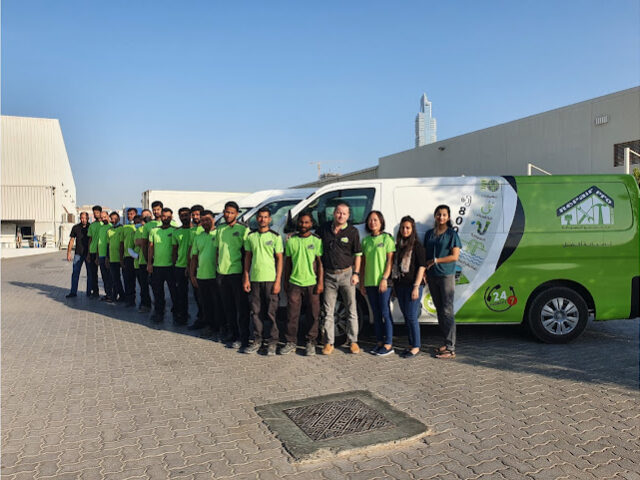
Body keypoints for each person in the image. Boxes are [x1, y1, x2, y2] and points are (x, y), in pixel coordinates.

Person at [316, 202, 362, 355]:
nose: (341, 215)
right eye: (338, 212)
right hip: (329, 276)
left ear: (348, 216)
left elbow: (358, 255)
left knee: (351, 309)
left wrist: (356, 274)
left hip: (347, 275)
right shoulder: (324, 229)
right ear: (334, 213)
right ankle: (329, 343)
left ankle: (353, 341)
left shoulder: (353, 231)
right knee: (328, 311)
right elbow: (311, 239)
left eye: (344, 213)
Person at [241, 207, 283, 355]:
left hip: (270, 280)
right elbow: (247, 258)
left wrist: (278, 281)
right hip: (255, 279)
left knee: (271, 313)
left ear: (269, 219)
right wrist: (246, 277)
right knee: (256, 312)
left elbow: (279, 259)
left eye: (265, 217)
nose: (262, 219)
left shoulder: (275, 237)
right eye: (260, 217)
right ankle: (257, 340)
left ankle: (272, 342)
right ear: (256, 218)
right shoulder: (251, 236)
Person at [281, 211, 323, 356]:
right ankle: (291, 342)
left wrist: (320, 283)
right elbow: (288, 263)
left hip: (312, 282)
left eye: (306, 222)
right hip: (294, 282)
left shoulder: (316, 240)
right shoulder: (291, 240)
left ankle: (311, 342)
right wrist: (285, 281)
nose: (303, 225)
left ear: (311, 224)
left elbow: (320, 263)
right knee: (292, 314)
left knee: (313, 314)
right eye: (301, 222)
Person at [424, 204, 462, 359]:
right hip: (432, 276)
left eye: (444, 215)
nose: (441, 217)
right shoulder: (429, 234)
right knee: (440, 310)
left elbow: (455, 256)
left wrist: (436, 260)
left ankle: (451, 348)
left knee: (447, 310)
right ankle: (446, 343)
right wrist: (425, 271)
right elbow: (425, 255)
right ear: (435, 216)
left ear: (448, 217)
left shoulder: (452, 234)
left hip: (446, 275)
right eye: (439, 214)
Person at [360, 211, 396, 356]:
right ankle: (379, 342)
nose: (372, 222)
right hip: (370, 282)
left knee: (385, 312)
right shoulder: (365, 241)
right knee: (375, 314)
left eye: (375, 220)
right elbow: (363, 264)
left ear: (381, 222)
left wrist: (384, 279)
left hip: (383, 283)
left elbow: (390, 261)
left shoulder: (387, 239)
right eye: (370, 220)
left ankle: (389, 344)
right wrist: (362, 283)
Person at [392, 215, 427, 358]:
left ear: (412, 229)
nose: (405, 230)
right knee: (406, 316)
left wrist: (416, 286)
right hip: (400, 286)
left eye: (407, 228)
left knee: (412, 316)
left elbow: (422, 267)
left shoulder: (417, 246)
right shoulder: (398, 246)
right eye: (402, 228)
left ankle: (416, 346)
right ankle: (411, 344)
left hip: (413, 286)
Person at [217, 201, 250, 348]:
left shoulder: (243, 229)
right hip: (222, 273)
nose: (228, 215)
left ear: (237, 214)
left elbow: (247, 253)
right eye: (226, 212)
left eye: (231, 213)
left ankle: (244, 337)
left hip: (237, 273)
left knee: (241, 308)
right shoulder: (220, 229)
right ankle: (233, 333)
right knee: (228, 306)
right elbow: (217, 250)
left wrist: (245, 275)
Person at [189, 210, 221, 338]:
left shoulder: (219, 234)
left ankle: (221, 327)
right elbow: (194, 257)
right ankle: (209, 326)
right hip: (202, 275)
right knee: (205, 303)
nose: (205, 222)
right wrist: (192, 275)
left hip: (217, 275)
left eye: (208, 219)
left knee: (218, 303)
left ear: (214, 219)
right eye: (202, 220)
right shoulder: (198, 237)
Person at [148, 208, 179, 324]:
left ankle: (177, 314)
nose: (166, 218)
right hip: (157, 266)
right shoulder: (154, 231)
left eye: (168, 216)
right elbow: (150, 248)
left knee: (174, 292)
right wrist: (149, 263)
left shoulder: (175, 231)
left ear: (172, 217)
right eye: (164, 216)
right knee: (158, 292)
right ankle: (159, 313)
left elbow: (176, 249)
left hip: (170, 267)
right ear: (161, 217)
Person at [172, 207, 193, 324]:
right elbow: (174, 251)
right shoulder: (176, 232)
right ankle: (182, 316)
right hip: (180, 266)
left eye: (186, 215)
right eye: (182, 215)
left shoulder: (197, 230)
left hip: (195, 267)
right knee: (181, 293)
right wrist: (174, 265)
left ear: (190, 216)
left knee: (199, 296)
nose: (184, 217)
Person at [187, 204, 205, 327]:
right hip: (194, 267)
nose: (195, 217)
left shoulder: (206, 230)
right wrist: (189, 267)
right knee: (197, 296)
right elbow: (190, 249)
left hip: (205, 267)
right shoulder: (191, 231)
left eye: (197, 214)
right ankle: (200, 318)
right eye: (193, 215)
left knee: (205, 297)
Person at [66, 212, 90, 298]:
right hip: (78, 254)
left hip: (88, 254)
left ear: (88, 218)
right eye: (82, 218)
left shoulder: (91, 227)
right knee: (75, 273)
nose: (83, 220)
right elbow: (72, 240)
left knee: (90, 274)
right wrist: (69, 253)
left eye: (85, 218)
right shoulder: (75, 227)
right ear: (80, 218)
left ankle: (89, 292)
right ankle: (73, 292)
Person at [133, 212, 152, 312]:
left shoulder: (157, 226)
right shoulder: (139, 229)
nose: (145, 217)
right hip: (142, 261)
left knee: (156, 286)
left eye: (147, 215)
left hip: (155, 261)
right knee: (143, 285)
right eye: (143, 216)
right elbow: (137, 242)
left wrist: (144, 241)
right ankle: (145, 304)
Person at [105, 211, 125, 303]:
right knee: (115, 279)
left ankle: (121, 296)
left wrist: (121, 258)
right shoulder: (109, 231)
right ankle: (117, 296)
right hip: (112, 258)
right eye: (111, 219)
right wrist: (107, 257)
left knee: (120, 279)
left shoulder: (122, 229)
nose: (113, 220)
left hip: (121, 258)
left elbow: (122, 244)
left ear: (119, 219)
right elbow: (108, 245)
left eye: (115, 218)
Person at [120, 208, 138, 307]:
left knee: (140, 281)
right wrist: (121, 258)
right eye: (128, 214)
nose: (130, 216)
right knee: (128, 279)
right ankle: (129, 300)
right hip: (127, 257)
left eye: (132, 214)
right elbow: (122, 243)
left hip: (138, 257)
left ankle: (145, 303)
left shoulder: (139, 226)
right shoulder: (125, 227)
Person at [96, 211, 114, 302]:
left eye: (105, 217)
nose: (103, 219)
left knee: (110, 277)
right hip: (101, 256)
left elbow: (110, 243)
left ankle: (112, 295)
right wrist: (97, 256)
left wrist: (108, 257)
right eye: (102, 217)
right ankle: (107, 294)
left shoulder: (111, 227)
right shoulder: (101, 228)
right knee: (104, 277)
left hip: (108, 256)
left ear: (108, 216)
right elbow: (99, 243)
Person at [86, 205, 103, 298]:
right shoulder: (91, 225)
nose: (96, 214)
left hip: (102, 252)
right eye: (94, 213)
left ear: (100, 213)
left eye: (97, 212)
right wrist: (88, 254)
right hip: (92, 251)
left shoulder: (104, 225)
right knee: (93, 274)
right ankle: (95, 292)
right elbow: (90, 239)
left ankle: (109, 293)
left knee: (105, 274)